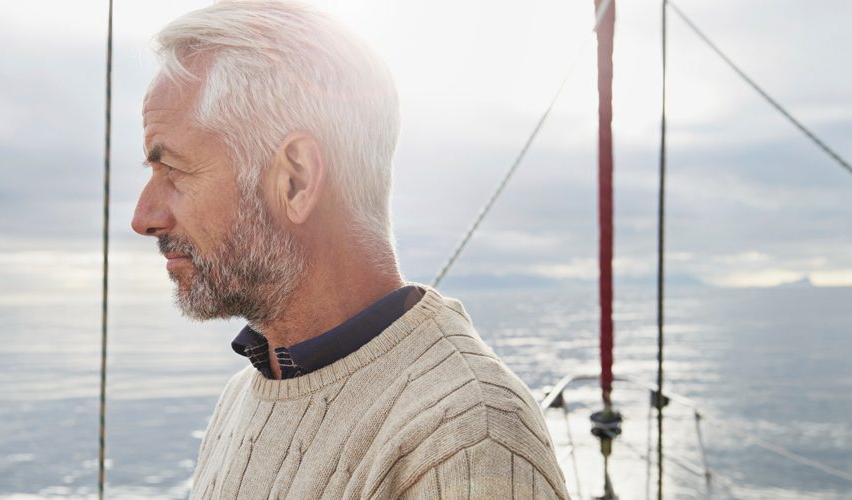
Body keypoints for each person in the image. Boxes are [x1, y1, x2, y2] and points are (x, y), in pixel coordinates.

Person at [131, 1, 568, 498]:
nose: (144, 218)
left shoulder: (468, 438)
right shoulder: (243, 397)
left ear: (296, 179)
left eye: (174, 171)